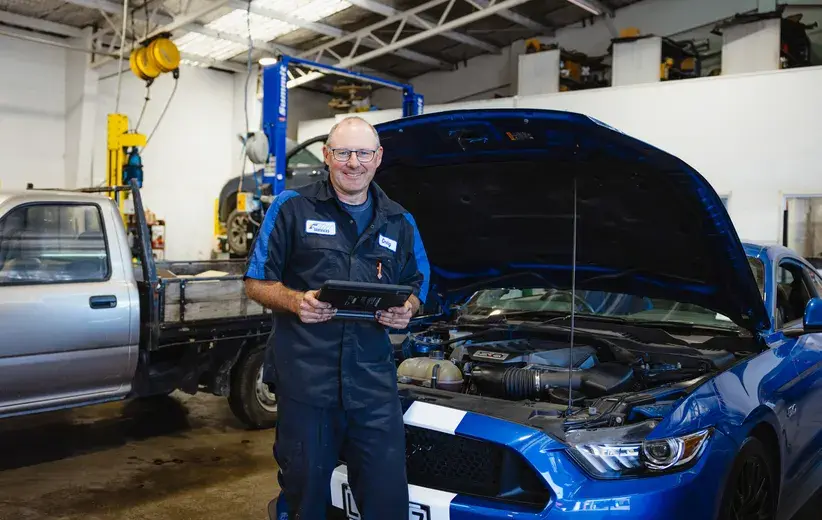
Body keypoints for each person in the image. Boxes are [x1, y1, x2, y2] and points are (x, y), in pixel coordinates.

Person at [244, 116, 431, 520]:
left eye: (363, 153)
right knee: (304, 500)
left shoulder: (400, 222)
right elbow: (256, 282)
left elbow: (419, 284)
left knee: (387, 501)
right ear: (327, 156)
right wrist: (297, 302)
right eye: (343, 152)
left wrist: (407, 309)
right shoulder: (291, 207)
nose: (353, 162)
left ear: (378, 158)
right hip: (307, 385)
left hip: (373, 387)